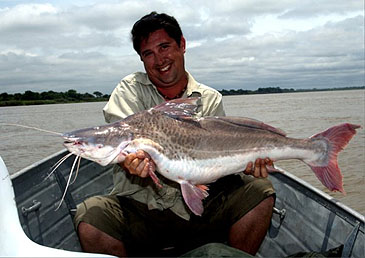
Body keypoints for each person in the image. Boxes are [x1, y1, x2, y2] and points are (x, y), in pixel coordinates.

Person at [74, 12, 275, 257]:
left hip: (200, 207)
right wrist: (132, 163)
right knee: (90, 215)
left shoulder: (209, 98)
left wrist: (247, 164)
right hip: (142, 208)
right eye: (148, 54)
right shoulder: (129, 91)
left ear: (182, 44)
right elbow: (123, 135)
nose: (159, 60)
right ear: (141, 60)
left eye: (164, 47)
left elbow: (218, 159)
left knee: (260, 190)